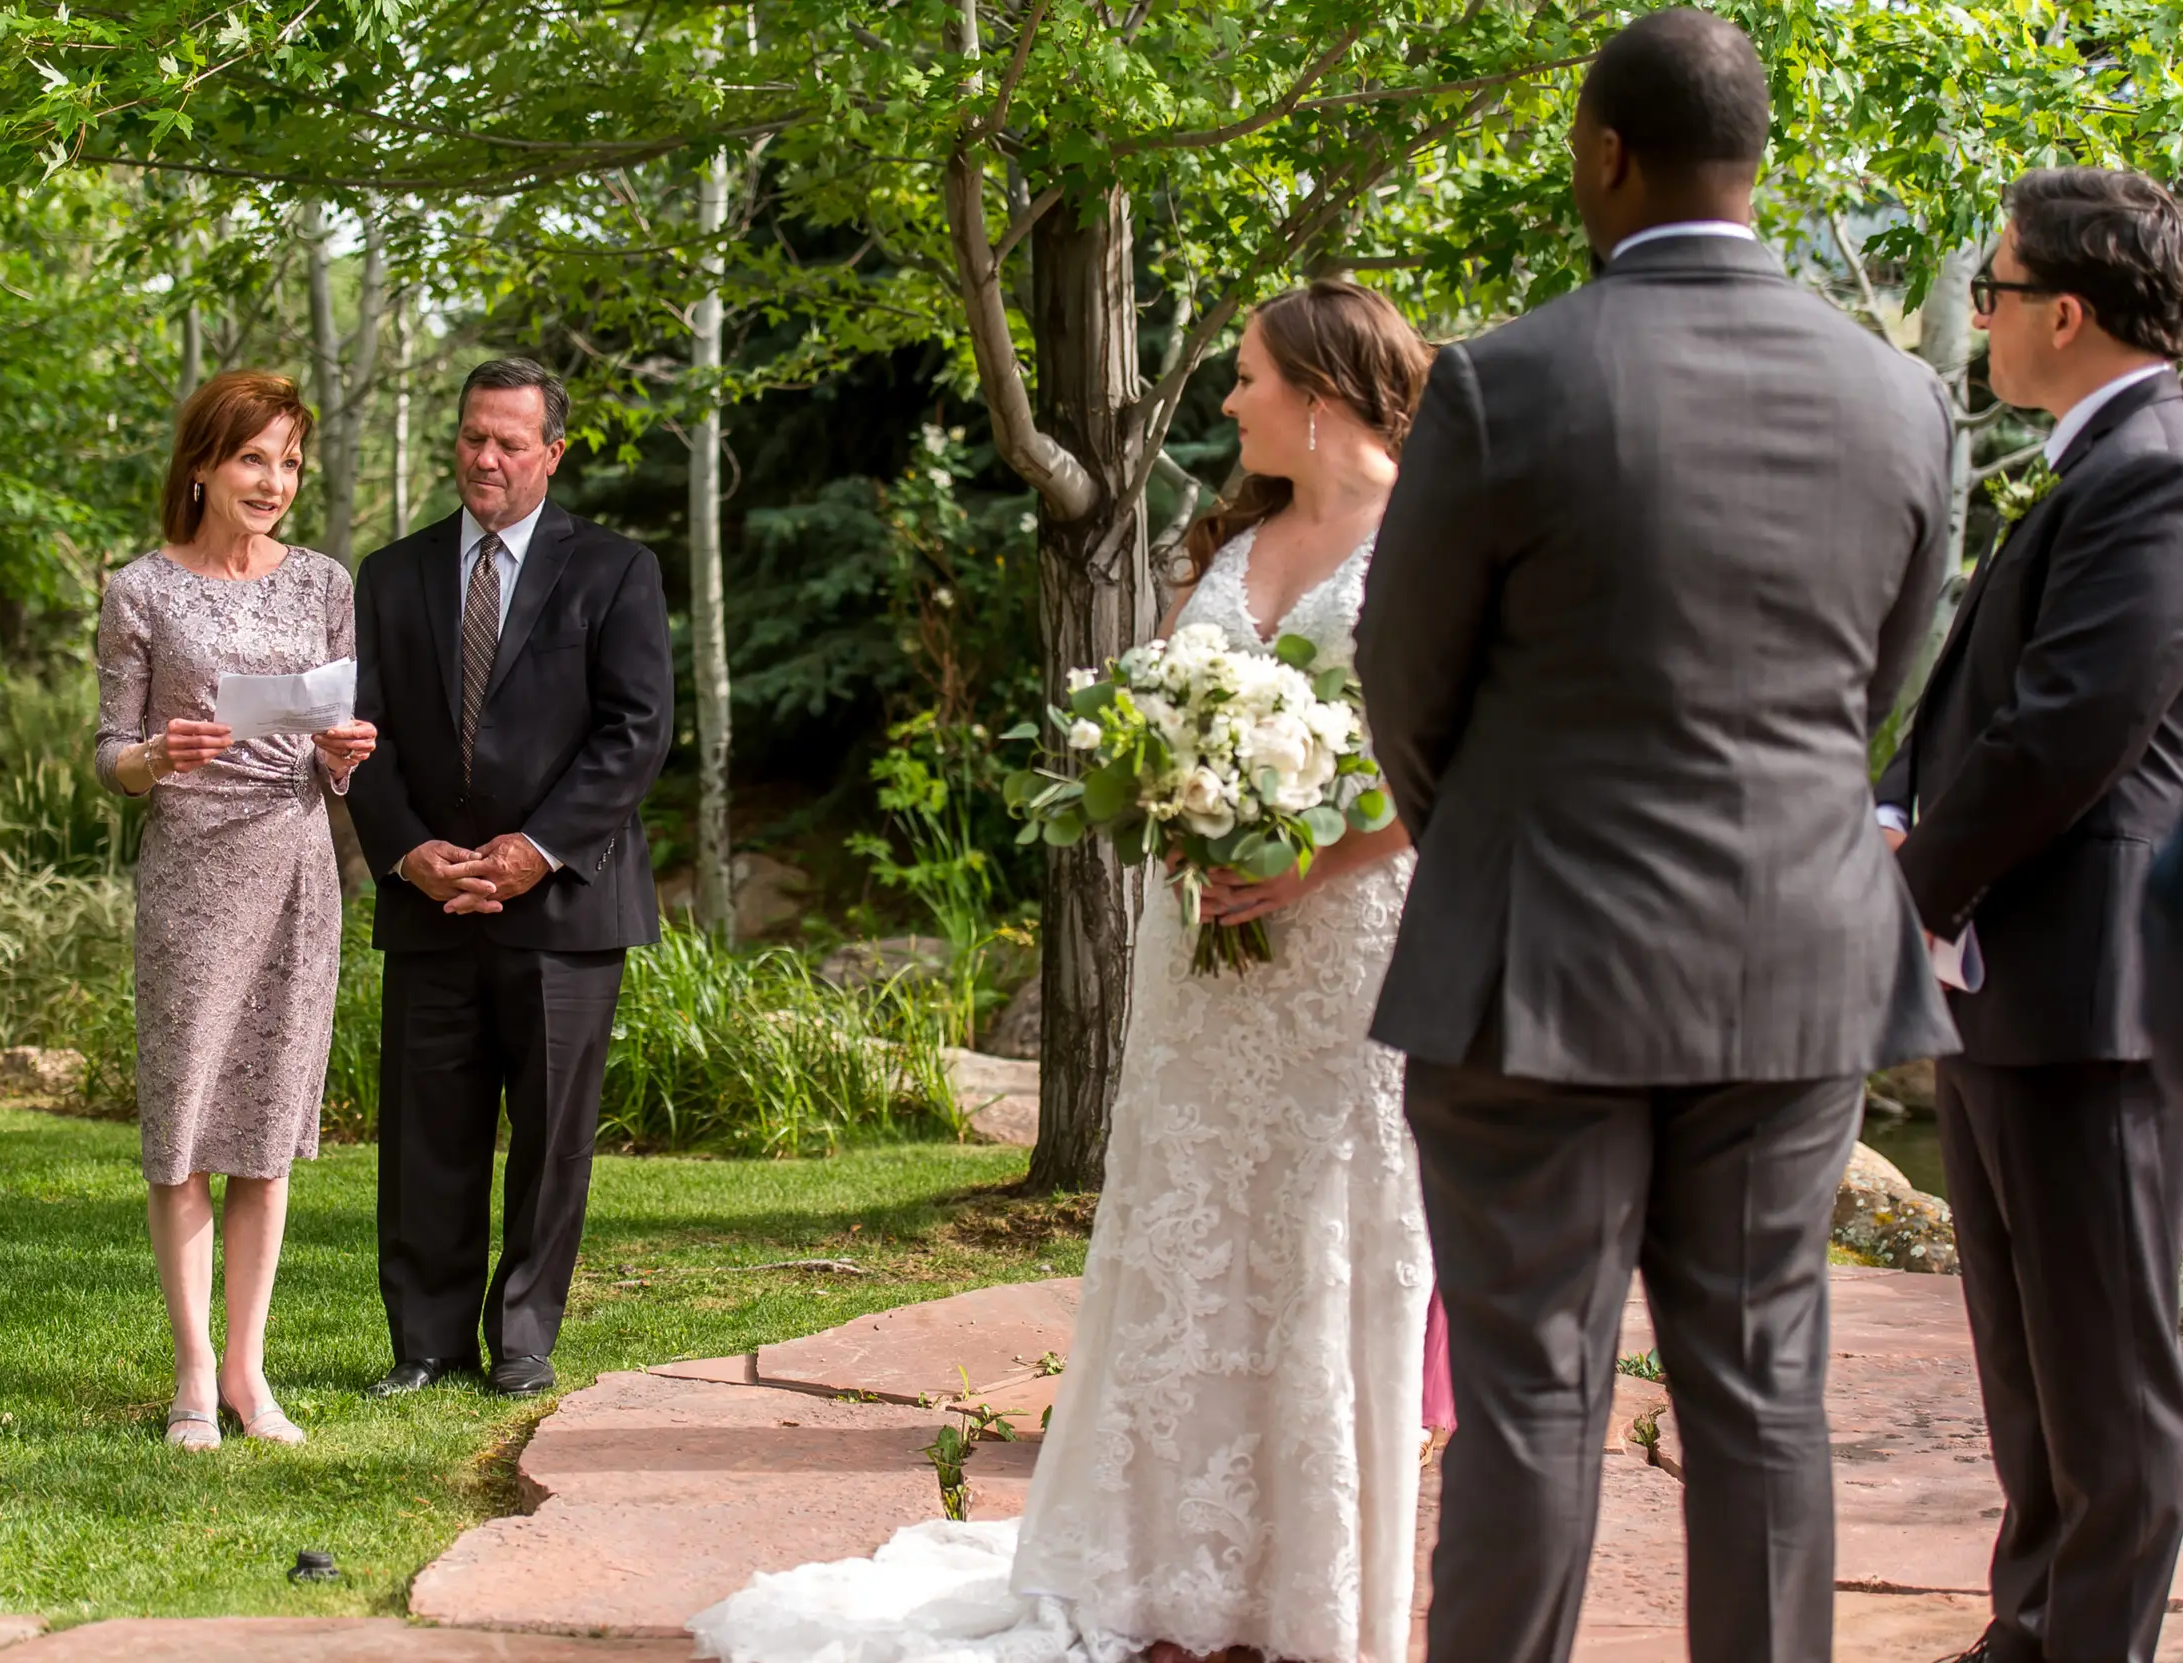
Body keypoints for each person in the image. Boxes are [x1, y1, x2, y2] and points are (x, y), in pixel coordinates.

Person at [692, 277, 1435, 1663]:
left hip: (1342, 948)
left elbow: (1452, 754)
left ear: (1322, 395)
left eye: (1249, 378)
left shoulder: (1427, 541)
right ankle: (1154, 1561)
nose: (1226, 401)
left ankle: (1309, 1583)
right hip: (1199, 943)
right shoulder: (1235, 536)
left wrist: (1305, 867)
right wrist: (1169, 796)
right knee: (1186, 1226)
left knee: (1320, 1239)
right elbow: (1160, 712)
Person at [1354, 12, 1958, 1660]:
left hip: (1537, 954)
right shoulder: (1902, 397)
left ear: (1605, 153)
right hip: (1798, 955)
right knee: (1766, 1389)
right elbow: (1877, 687)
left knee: (1533, 1387)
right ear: (1755, 164)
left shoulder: (1505, 380)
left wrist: (1482, 835)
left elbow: (1404, 682)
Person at [1875, 169, 2183, 1663]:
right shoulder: (2091, 459)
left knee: (2112, 1377)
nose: (1983, 314)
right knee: (2029, 1362)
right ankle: (2031, 1625)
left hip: (2099, 994)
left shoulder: (2160, 466)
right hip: (2009, 983)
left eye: (1992, 289)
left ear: (2065, 310)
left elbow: (2076, 727)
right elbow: (1984, 707)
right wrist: (1891, 806)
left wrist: (1906, 883)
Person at [346, 358, 672, 1401]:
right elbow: (364, 738)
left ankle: (523, 1338)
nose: (484, 458)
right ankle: (427, 1342)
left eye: (509, 442)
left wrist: (534, 850)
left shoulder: (616, 570)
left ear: (552, 454)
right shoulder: (390, 576)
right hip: (430, 901)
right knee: (424, 1137)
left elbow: (637, 734)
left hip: (566, 909)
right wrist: (407, 854)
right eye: (472, 435)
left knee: (549, 1141)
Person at [94, 370, 377, 1452]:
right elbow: (109, 753)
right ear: (204, 464)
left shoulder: (323, 584)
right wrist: (156, 754)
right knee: (184, 1130)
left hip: (297, 866)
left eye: (290, 462)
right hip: (191, 874)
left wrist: (345, 750)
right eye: (254, 457)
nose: (274, 481)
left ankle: (252, 1378)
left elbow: (336, 737)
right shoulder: (141, 591)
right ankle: (190, 1377)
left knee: (263, 1131)